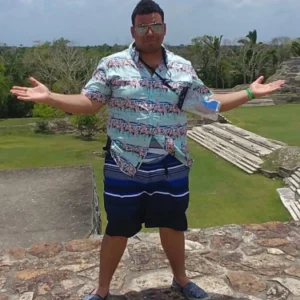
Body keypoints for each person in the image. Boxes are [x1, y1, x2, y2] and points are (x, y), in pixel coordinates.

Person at [10, 1, 285, 299]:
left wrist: (248, 93)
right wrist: (50, 97)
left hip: (171, 162)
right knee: (117, 228)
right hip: (125, 163)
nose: (149, 31)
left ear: (164, 28)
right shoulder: (112, 64)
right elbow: (90, 103)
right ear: (133, 30)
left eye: (155, 25)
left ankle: (181, 279)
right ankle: (101, 290)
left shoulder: (181, 67)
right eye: (142, 26)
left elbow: (207, 106)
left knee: (173, 224)